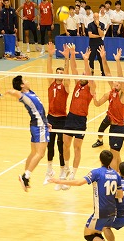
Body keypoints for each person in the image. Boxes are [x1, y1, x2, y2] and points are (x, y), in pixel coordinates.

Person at [49, 150, 123, 241]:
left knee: (88, 235)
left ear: (100, 159)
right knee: (104, 229)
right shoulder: (116, 174)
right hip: (112, 210)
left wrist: (59, 181)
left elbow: (79, 183)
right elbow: (120, 195)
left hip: (100, 211)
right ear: (111, 160)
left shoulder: (96, 173)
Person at [6, 75, 51, 191]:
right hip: (39, 127)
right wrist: (10, 91)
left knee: (33, 153)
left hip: (39, 124)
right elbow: (17, 94)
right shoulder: (24, 96)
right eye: (25, 81)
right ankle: (26, 176)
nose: (28, 81)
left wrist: (46, 121)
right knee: (40, 154)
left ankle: (25, 179)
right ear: (22, 85)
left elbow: (39, 109)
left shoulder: (31, 93)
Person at [62, 46, 96, 190]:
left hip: (81, 120)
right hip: (70, 117)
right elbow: (74, 68)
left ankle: (73, 174)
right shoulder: (78, 83)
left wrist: (87, 61)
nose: (82, 76)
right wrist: (71, 55)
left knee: (77, 147)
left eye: (85, 75)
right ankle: (67, 168)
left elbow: (88, 75)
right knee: (66, 144)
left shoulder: (91, 87)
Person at [93, 47, 124, 171]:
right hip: (112, 127)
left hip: (119, 128)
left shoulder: (123, 95)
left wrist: (118, 61)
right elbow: (107, 74)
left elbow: (121, 77)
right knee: (116, 155)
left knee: (113, 155)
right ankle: (122, 177)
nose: (116, 83)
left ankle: (113, 177)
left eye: (118, 83)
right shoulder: (112, 92)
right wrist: (103, 59)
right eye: (116, 83)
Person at [44, 42, 70, 191]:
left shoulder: (66, 86)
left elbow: (67, 76)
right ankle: (49, 171)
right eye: (57, 73)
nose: (59, 75)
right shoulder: (51, 83)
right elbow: (48, 70)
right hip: (50, 118)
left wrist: (66, 59)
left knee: (61, 145)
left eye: (61, 73)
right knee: (50, 144)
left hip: (62, 118)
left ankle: (62, 174)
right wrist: (49, 55)